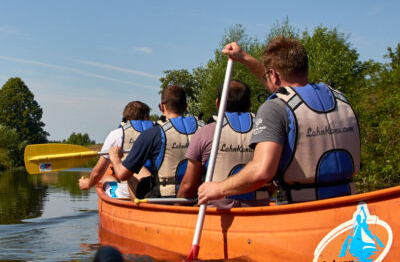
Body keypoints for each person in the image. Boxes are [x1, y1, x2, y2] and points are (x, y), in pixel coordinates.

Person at [198, 36, 360, 205]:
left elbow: (262, 172)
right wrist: (244, 57)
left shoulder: (275, 108)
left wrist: (219, 188)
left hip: (301, 212)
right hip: (348, 209)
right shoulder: (339, 99)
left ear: (273, 74)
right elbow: (279, 84)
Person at [177, 79, 272, 208]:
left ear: (218, 103)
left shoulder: (205, 133)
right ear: (249, 105)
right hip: (258, 212)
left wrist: (176, 207)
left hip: (216, 213)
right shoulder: (267, 132)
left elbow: (188, 186)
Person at [109, 85, 204, 198]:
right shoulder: (205, 130)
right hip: (198, 197)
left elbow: (122, 175)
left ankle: (138, 212)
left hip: (164, 200)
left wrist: (115, 157)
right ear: (186, 107)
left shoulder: (151, 134)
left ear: (162, 107)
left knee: (130, 169)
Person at [79, 101, 153, 198]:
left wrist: (88, 183)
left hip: (130, 192)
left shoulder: (116, 134)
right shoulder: (157, 132)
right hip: (158, 187)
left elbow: (98, 173)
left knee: (107, 178)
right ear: (145, 117)